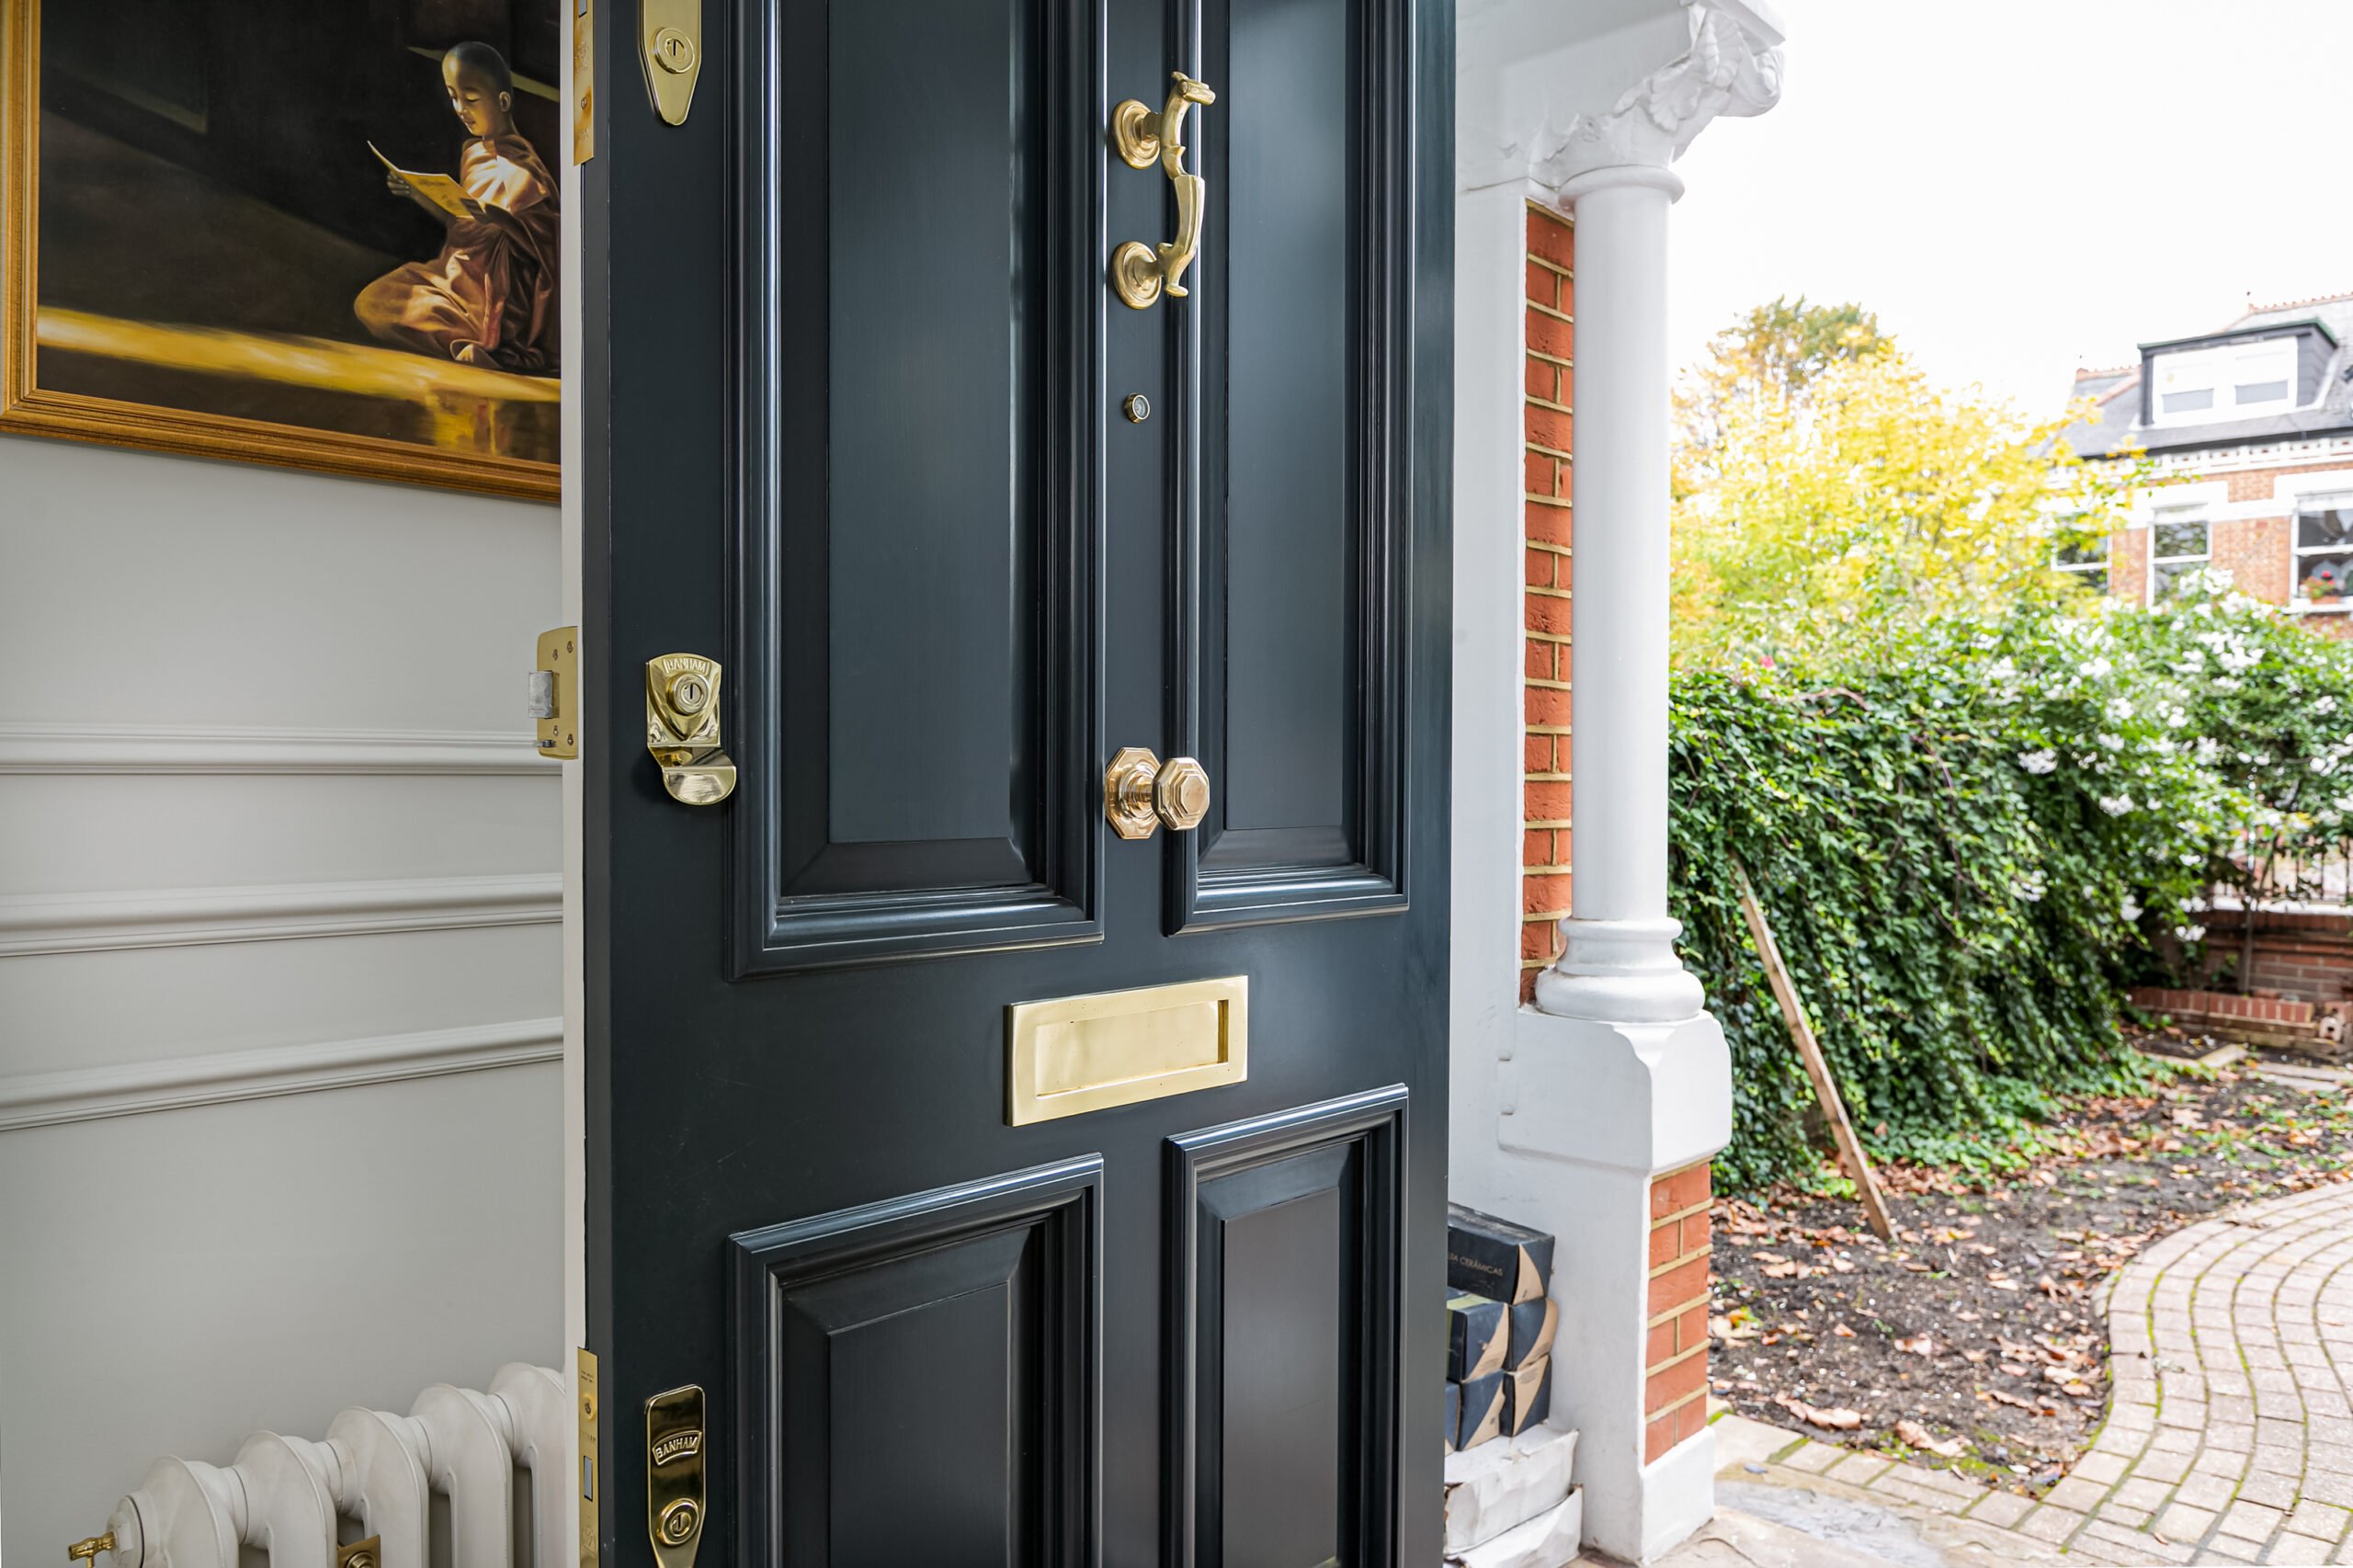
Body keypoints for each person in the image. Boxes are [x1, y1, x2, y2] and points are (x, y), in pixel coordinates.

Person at [356, 42, 558, 372]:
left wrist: (502, 221)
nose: (461, 109)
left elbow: (551, 245)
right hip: (454, 279)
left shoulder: (524, 172)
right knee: (373, 302)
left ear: (502, 102)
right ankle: (459, 337)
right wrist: (418, 194)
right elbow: (462, 226)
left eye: (471, 99)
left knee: (390, 310)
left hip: (494, 303)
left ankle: (479, 345)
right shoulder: (474, 154)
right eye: (453, 97)